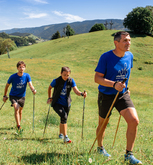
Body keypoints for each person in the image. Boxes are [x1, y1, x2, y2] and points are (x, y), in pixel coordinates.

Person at [94, 31, 142, 164]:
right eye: (125, 40)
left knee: (134, 121)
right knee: (103, 124)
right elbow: (97, 78)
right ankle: (100, 148)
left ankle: (129, 155)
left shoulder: (129, 56)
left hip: (122, 95)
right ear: (116, 43)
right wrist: (113, 84)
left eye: (129, 40)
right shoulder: (106, 57)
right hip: (106, 95)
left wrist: (126, 87)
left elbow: (127, 74)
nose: (129, 43)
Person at [47, 66, 87, 143]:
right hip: (57, 103)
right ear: (61, 73)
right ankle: (66, 137)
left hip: (67, 103)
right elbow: (49, 88)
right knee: (64, 116)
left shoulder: (71, 81)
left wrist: (82, 94)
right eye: (64, 75)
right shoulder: (56, 81)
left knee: (63, 119)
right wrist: (50, 97)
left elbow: (76, 91)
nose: (66, 77)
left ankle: (61, 134)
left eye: (67, 75)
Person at [3, 61, 37, 131]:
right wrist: (5, 95)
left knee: (20, 111)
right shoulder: (13, 77)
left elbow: (30, 84)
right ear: (17, 68)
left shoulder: (27, 76)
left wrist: (33, 90)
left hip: (22, 96)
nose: (22, 68)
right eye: (20, 67)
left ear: (25, 68)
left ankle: (18, 124)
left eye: (23, 67)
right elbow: (7, 86)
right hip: (13, 95)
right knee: (16, 108)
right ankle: (19, 126)